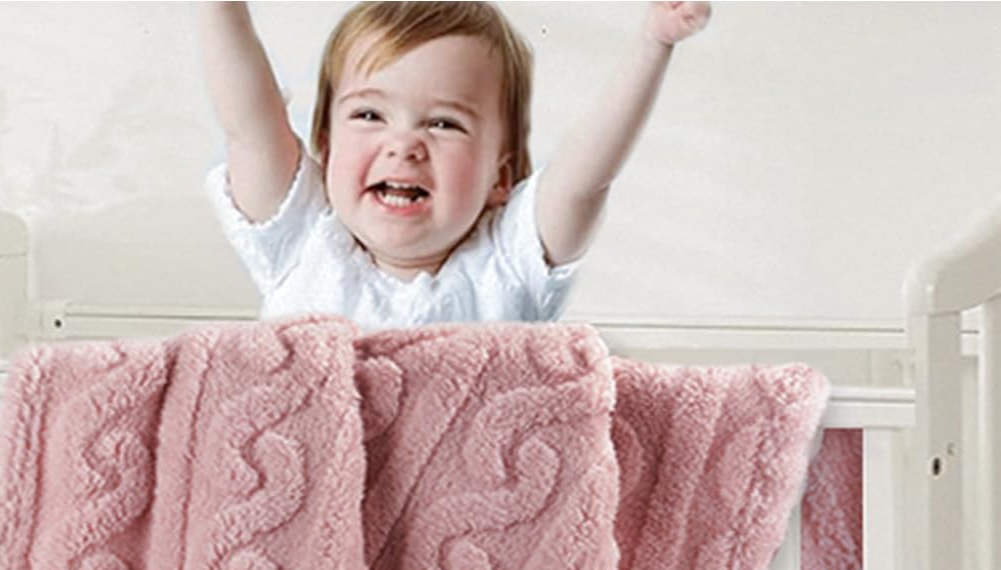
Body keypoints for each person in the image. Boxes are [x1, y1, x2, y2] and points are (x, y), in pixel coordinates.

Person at [198, 1, 711, 327]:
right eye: (370, 115)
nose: (404, 145)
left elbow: (584, 180)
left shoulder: (507, 265)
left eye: (443, 124)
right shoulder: (304, 241)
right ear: (326, 149)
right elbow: (250, 125)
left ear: (500, 177)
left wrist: (654, 45)